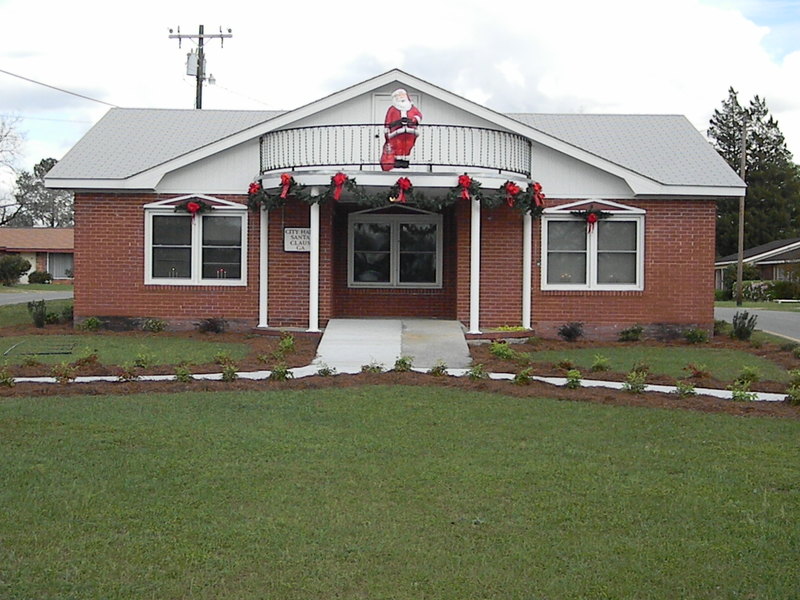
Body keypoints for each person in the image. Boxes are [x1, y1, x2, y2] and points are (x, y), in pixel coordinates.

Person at [381, 89, 422, 170]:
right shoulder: (392, 109)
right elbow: (388, 119)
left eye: (403, 95)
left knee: (408, 146)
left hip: (410, 131)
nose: (401, 97)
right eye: (399, 96)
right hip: (396, 132)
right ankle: (397, 162)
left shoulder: (412, 108)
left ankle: (405, 161)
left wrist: (413, 120)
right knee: (397, 146)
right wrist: (387, 128)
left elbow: (419, 115)